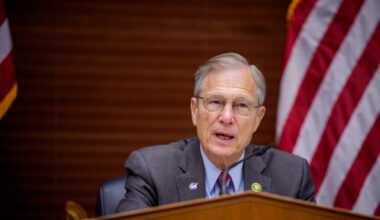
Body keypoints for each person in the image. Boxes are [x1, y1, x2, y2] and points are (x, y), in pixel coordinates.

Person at [115, 52, 315, 213]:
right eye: (215, 102)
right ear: (195, 111)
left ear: (258, 119)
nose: (227, 117)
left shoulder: (292, 176)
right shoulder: (153, 170)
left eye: (241, 105)